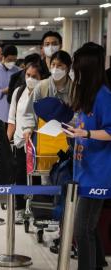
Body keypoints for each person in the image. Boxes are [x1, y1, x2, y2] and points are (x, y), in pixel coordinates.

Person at [67, 42, 110, 270]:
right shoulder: (88, 95)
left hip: (98, 174)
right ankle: (98, 263)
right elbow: (83, 124)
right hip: (84, 170)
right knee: (88, 229)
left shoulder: (104, 96)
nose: (73, 71)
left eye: (76, 66)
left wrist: (86, 132)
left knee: (82, 230)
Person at [7, 63, 42, 224]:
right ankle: (20, 208)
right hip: (21, 142)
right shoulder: (18, 92)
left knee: (38, 177)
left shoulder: (44, 92)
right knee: (20, 175)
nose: (30, 79)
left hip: (38, 142)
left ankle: (37, 209)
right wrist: (8, 139)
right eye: (28, 75)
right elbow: (12, 118)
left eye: (34, 76)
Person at [23, 50, 73, 141]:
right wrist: (28, 128)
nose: (55, 68)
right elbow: (30, 111)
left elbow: (79, 115)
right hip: (44, 137)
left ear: (68, 68)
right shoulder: (42, 86)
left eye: (59, 65)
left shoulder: (75, 89)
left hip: (69, 136)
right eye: (53, 65)